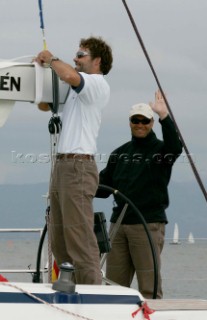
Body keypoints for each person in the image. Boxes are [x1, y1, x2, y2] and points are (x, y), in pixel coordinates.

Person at [35, 36, 113, 284]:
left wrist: (53, 59)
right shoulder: (75, 90)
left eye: (81, 55)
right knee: (59, 238)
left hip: (79, 166)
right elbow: (44, 106)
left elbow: (70, 76)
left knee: (79, 238)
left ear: (97, 61)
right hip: (62, 166)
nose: (75, 59)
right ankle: (69, 291)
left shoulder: (98, 84)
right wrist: (41, 73)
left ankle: (93, 296)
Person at [96, 90, 183, 298]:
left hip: (147, 224)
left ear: (152, 123)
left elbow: (175, 147)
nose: (140, 124)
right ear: (130, 122)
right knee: (113, 288)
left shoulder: (161, 151)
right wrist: (77, 185)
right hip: (118, 226)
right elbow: (102, 187)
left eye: (145, 120)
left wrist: (164, 116)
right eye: (136, 120)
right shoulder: (119, 153)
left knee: (149, 287)